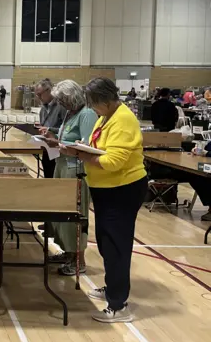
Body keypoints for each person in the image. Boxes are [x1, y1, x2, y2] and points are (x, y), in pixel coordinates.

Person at [63, 77, 147, 323]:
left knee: (116, 247)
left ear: (107, 100)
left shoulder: (123, 119)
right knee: (105, 243)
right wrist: (81, 147)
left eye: (95, 104)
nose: (93, 109)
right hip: (106, 190)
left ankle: (119, 304)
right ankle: (112, 289)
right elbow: (98, 146)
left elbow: (113, 161)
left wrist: (83, 155)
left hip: (122, 189)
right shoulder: (106, 117)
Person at [42, 80, 98, 276]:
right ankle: (67, 252)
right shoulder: (70, 113)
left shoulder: (87, 114)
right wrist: (51, 134)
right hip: (62, 165)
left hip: (76, 169)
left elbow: (87, 144)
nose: (62, 105)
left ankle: (79, 260)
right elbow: (67, 135)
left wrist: (58, 142)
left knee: (75, 215)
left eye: (64, 100)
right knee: (61, 214)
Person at [35, 79, 66, 178]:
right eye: (37, 95)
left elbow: (66, 129)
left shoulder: (62, 106)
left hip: (58, 149)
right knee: (48, 176)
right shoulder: (43, 109)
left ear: (49, 90)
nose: (38, 97)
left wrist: (49, 129)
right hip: (46, 149)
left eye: (40, 94)